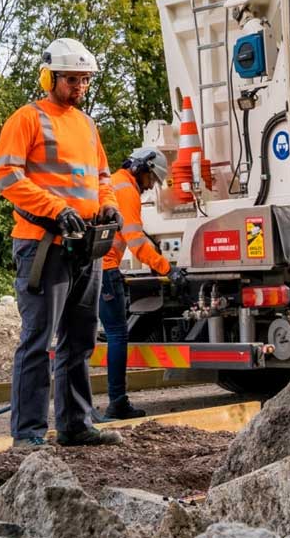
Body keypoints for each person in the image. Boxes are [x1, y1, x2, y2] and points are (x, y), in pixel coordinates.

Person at [0, 37, 124, 448]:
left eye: (84, 80)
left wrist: (109, 206)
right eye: (71, 79)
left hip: (86, 247)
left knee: (81, 339)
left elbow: (102, 177)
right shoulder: (27, 119)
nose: (79, 87)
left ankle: (75, 425)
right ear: (49, 77)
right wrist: (53, 208)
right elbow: (5, 177)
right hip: (43, 245)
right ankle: (28, 433)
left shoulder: (86, 125)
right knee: (38, 340)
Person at [96, 148, 184, 420]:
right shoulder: (127, 191)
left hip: (98, 268)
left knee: (95, 336)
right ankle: (118, 402)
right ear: (142, 169)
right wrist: (168, 268)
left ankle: (97, 402)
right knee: (117, 336)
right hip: (106, 269)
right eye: (151, 180)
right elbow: (136, 244)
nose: (150, 187)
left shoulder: (115, 182)